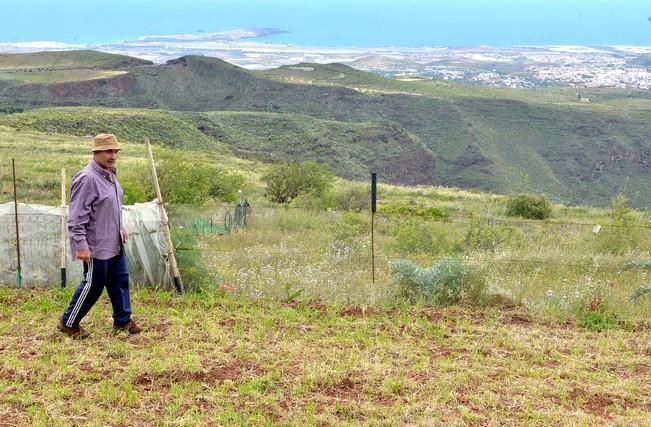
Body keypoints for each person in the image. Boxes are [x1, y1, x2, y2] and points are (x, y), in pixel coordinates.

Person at [57, 133, 141, 339]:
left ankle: (122, 321)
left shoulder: (110, 174)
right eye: (108, 151)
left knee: (120, 280)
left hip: (114, 241)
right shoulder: (87, 179)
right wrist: (81, 245)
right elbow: (76, 217)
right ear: (96, 153)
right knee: (93, 285)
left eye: (115, 151)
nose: (112, 155)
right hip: (95, 245)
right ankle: (68, 323)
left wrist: (121, 227)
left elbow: (111, 206)